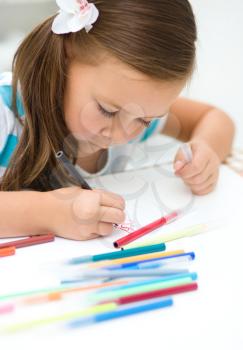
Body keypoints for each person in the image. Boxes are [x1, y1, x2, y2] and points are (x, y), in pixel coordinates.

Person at [0, 0, 234, 240]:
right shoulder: (4, 112)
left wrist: (206, 151)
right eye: (107, 111)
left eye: (145, 121)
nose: (122, 135)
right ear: (67, 54)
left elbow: (213, 118)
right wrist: (49, 214)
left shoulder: (131, 106)